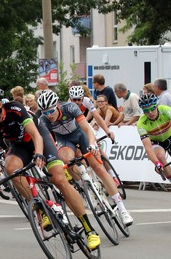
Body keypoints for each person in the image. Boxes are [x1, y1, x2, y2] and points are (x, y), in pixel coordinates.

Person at [0, 87, 101, 250]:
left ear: (0, 104)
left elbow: (36, 135)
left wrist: (39, 154)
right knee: (10, 168)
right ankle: (41, 209)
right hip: (19, 146)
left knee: (58, 179)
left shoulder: (15, 109)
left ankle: (89, 230)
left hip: (39, 139)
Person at [37, 90, 133, 227]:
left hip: (80, 134)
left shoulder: (70, 108)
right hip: (64, 141)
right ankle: (84, 183)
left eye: (50, 111)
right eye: (45, 112)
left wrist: (93, 144)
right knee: (67, 159)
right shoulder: (44, 120)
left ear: (57, 105)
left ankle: (122, 209)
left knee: (99, 168)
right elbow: (47, 141)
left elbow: (87, 129)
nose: (49, 115)